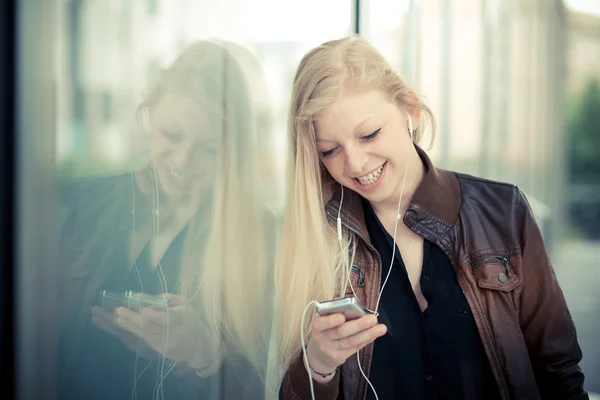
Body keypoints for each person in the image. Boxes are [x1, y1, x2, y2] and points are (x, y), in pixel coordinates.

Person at [274, 35, 588, 400]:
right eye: (330, 150)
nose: (356, 164)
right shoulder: (319, 238)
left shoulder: (503, 211)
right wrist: (318, 366)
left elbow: (558, 370)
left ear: (411, 112)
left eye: (370, 134)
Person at [57, 40, 275, 400]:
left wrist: (204, 353)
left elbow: (255, 386)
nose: (183, 162)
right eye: (171, 136)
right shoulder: (90, 203)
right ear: (150, 114)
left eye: (208, 149)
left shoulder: (254, 232)